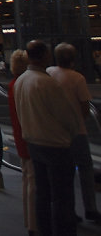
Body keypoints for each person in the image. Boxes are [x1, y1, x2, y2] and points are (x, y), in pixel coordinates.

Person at [14, 40, 82, 236]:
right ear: (44, 55)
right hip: (55, 144)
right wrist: (72, 133)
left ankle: (43, 228)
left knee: (42, 193)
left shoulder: (21, 80)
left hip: (33, 142)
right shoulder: (46, 82)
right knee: (62, 195)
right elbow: (67, 116)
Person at [47, 43, 101, 223]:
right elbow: (85, 106)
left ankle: (67, 209)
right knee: (85, 168)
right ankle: (90, 208)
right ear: (73, 58)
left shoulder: (50, 73)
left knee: (64, 171)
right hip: (77, 131)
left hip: (55, 131)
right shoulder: (77, 78)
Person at [8, 49, 37, 236]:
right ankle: (35, 222)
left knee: (28, 179)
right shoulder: (27, 85)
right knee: (35, 181)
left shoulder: (13, 85)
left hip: (21, 137)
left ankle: (30, 220)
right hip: (34, 138)